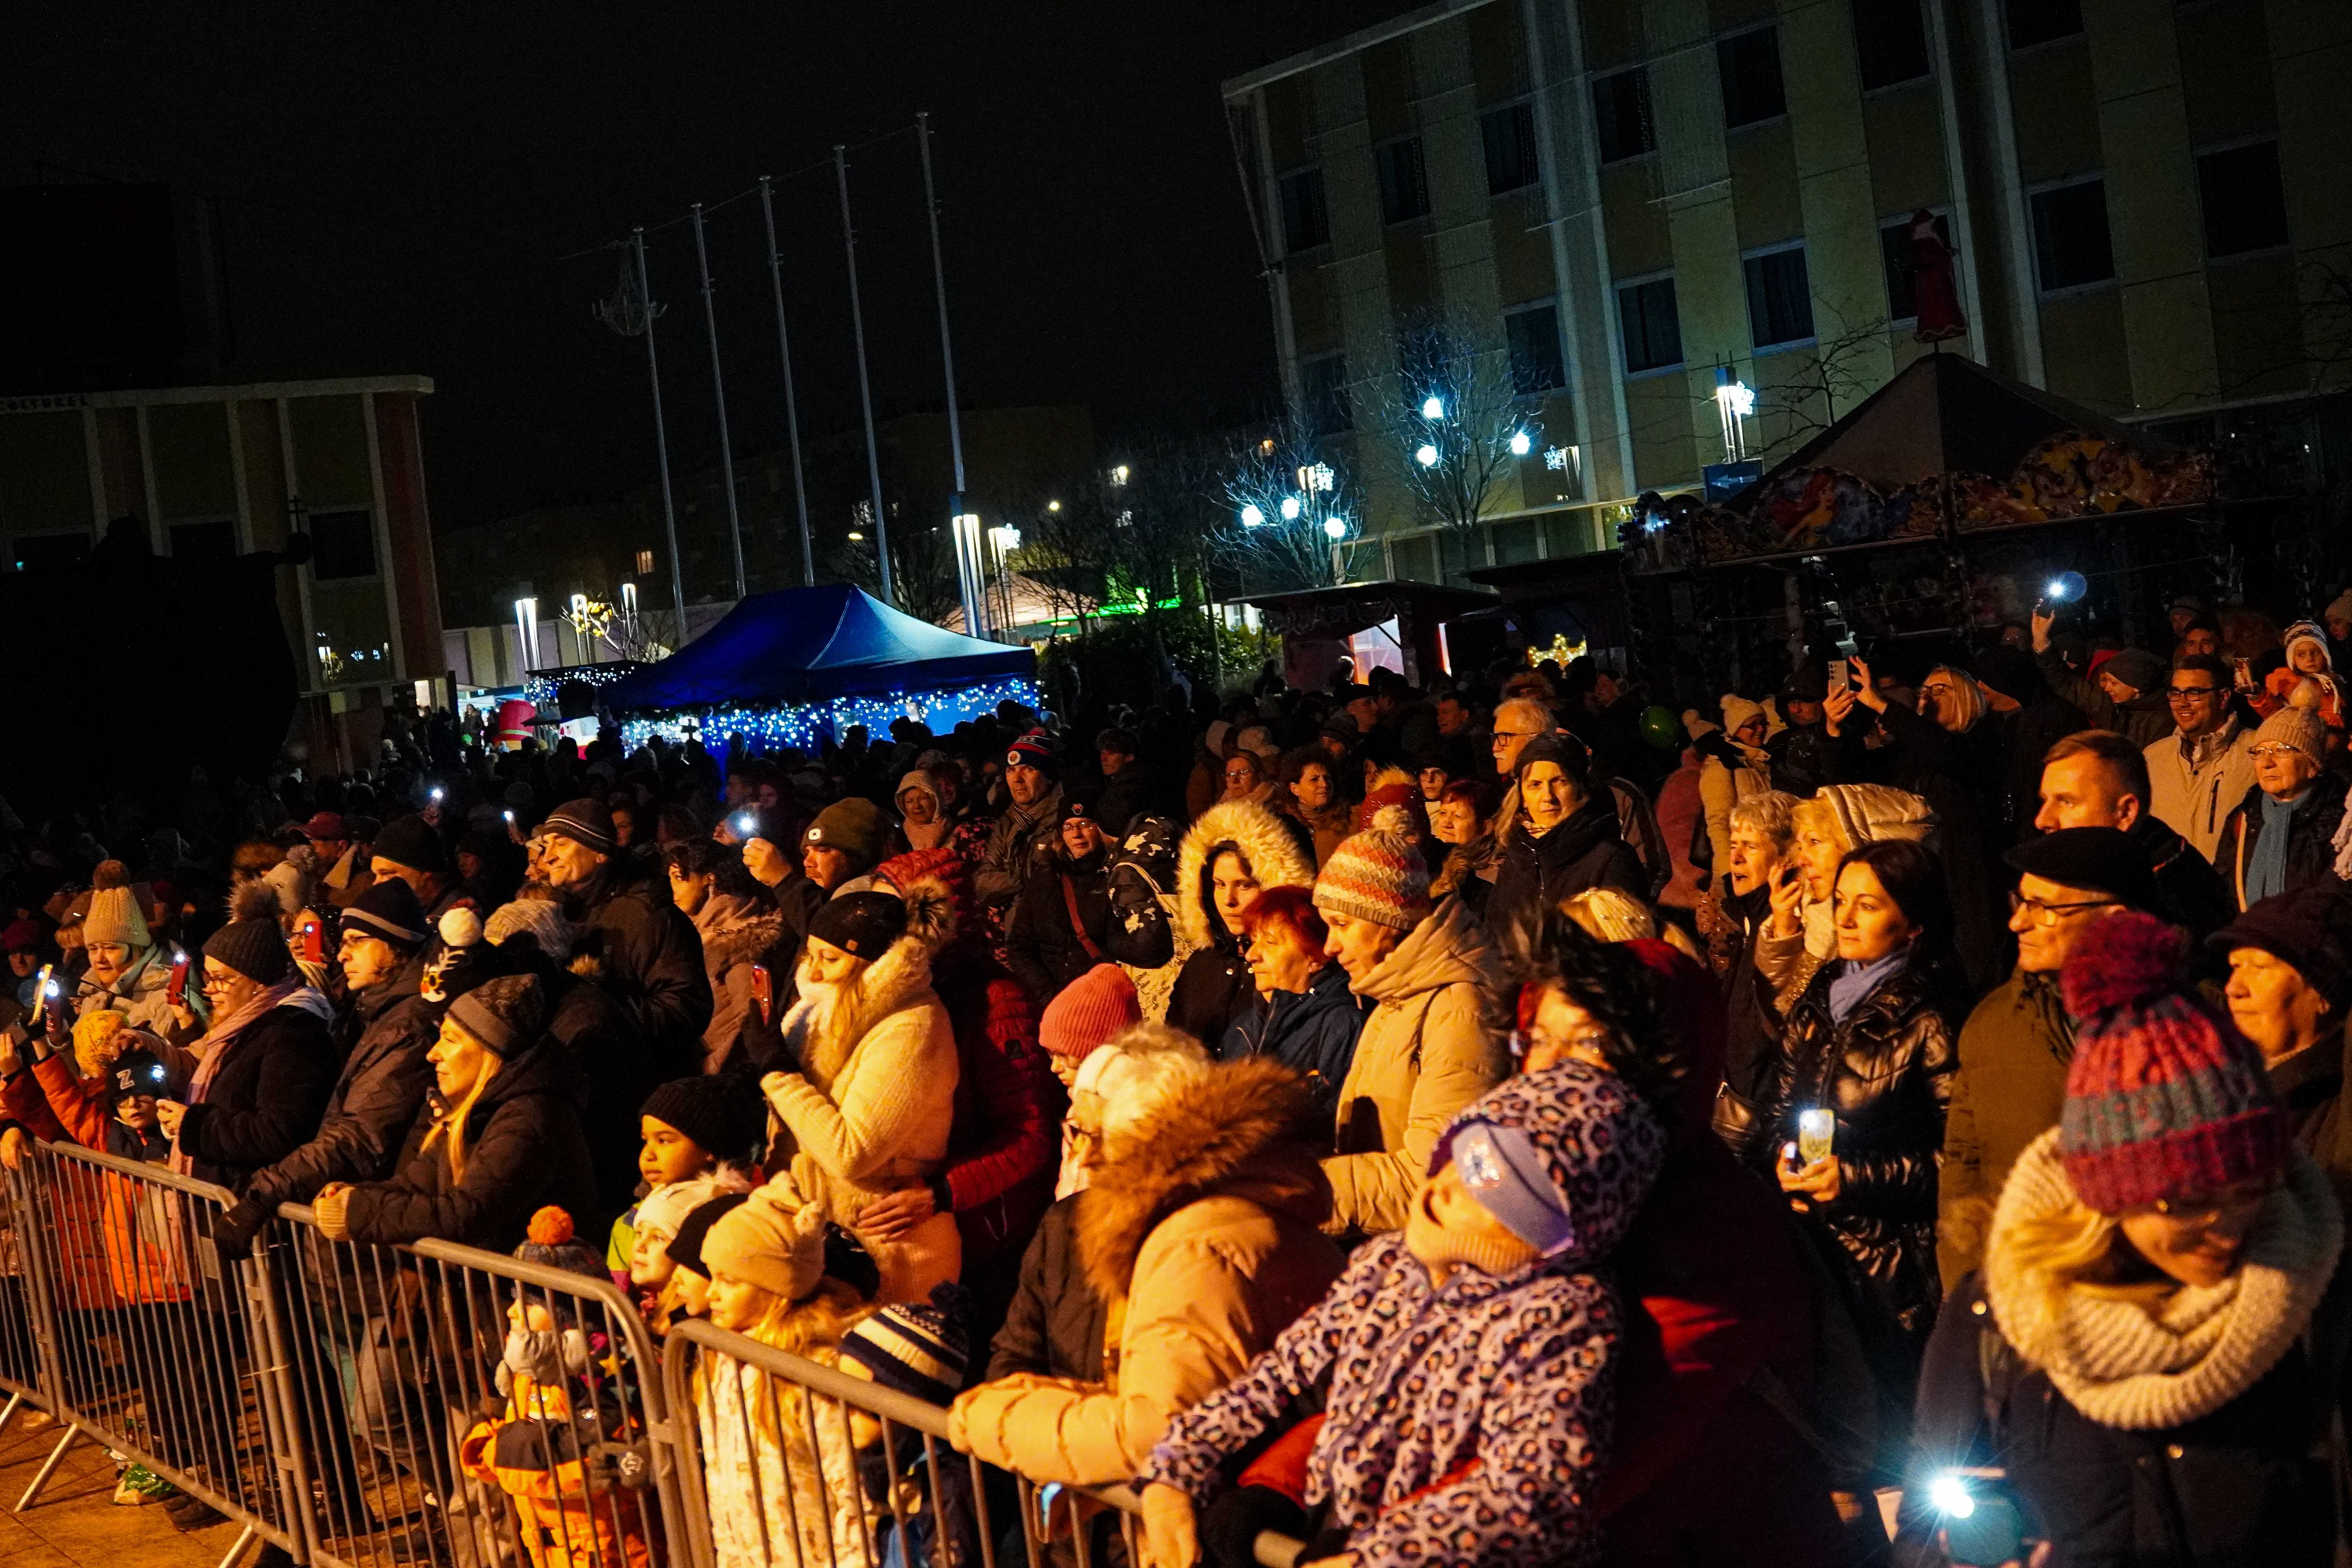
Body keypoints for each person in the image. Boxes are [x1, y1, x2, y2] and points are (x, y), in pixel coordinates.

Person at [1915, 911, 2348, 1568]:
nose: (2227, 1225)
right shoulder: (1997, 1320)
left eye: (2250, 1190)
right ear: (2108, 1196)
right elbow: (1925, 1534)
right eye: (2187, 1203)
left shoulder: (2310, 1302)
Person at [1137, 1062, 1668, 1568]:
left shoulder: (1560, 1316)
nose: (1447, 1186)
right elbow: (1282, 1373)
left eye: (1491, 1183)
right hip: (1338, 1527)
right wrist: (1178, 1467)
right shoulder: (1390, 1263)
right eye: (1463, 1154)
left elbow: (1539, 1486)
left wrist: (1384, 1557)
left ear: (1545, 1224)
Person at [1500, 918, 1848, 1564]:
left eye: (1589, 1042)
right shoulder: (1522, 1201)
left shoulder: (1712, 1223)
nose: (1547, 1068)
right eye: (1540, 1038)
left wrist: (1407, 1536)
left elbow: (1607, 1452)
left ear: (1663, 1058)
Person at [948, 1043, 1343, 1489]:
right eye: (1075, 1132)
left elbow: (1160, 1434)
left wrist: (990, 1418)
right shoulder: (1089, 1227)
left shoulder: (1197, 1245)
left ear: (1144, 1143)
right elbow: (1026, 1352)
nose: (1083, 1157)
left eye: (1097, 1136)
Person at [1748, 840, 1962, 1381]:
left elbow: (1958, 1158)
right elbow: (1775, 1107)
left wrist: (1853, 1178)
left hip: (1890, 1264)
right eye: (1841, 900)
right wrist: (1782, 1158)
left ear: (1913, 923)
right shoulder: (1821, 995)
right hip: (1811, 1245)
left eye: (1867, 906)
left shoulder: (1931, 1017)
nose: (1844, 918)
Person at [1938, 827, 2169, 1288]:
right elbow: (1964, 1166)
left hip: (2139, 1300)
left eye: (2043, 908)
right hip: (2020, 1294)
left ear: (2113, 920)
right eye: (2020, 902)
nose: (2017, 923)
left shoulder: (2186, 1028)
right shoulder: (1994, 1023)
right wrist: (1967, 1289)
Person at [207, 877, 464, 1260]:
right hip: (354, 1226)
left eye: (356, 941)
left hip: (372, 1235)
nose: (342, 955)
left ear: (395, 944)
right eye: (343, 942)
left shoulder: (407, 1025)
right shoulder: (372, 1011)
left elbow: (360, 1133)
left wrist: (265, 1192)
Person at [757, 891, 961, 1302]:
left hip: (888, 1253)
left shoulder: (911, 1028)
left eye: (831, 959)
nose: (814, 972)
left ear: (875, 965)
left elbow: (851, 1153)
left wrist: (779, 1075)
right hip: (824, 1235)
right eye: (811, 955)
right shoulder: (819, 1013)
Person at [1313, 814, 1506, 1236]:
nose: (1329, 946)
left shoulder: (1458, 1008)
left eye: (1342, 924)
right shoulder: (1397, 996)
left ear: (1389, 921)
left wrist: (1299, 1189)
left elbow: (1434, 1178)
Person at [316, 973, 599, 1253]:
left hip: (527, 1282)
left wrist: (359, 1211)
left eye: (450, 1040)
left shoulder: (531, 1117)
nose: (433, 1054)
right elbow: (417, 1186)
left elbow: (468, 1213)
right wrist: (356, 1196)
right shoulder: (471, 1110)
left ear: (490, 1051)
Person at [693, 1181, 873, 1568]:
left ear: (774, 1288)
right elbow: (722, 1481)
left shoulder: (815, 1372)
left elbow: (856, 1496)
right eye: (712, 1276)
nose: (711, 1294)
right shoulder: (722, 1357)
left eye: (730, 1281)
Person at [158, 882, 336, 1190]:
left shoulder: (293, 1034)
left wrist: (195, 1125)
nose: (209, 989)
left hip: (248, 1198)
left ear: (258, 982)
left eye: (222, 979)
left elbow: (277, 1133)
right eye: (208, 977)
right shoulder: (237, 1028)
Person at [537, 797, 713, 1058]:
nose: (548, 856)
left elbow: (685, 1007)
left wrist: (601, 1014)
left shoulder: (646, 915)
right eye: (545, 845)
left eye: (561, 844)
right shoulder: (560, 915)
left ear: (600, 853)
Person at [2211, 886, 2352, 1187]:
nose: (2234, 988)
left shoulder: (2337, 1114)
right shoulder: (2211, 1088)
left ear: (2322, 995)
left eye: (2260, 967)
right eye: (2236, 967)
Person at [2032, 729, 2230, 938]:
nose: (2042, 821)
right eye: (2045, 801)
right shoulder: (2096, 875)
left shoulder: (2173, 910)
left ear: (2126, 812)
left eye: (2067, 802)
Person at [1167, 799, 1316, 1052]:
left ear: (1274, 886)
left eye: (1245, 885)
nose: (1229, 900)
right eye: (1219, 885)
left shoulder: (1293, 966)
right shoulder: (1201, 965)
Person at [1003, 794, 1172, 1004]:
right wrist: (1048, 994)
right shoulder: (1045, 878)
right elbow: (1020, 944)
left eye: (1084, 824)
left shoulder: (1114, 879)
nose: (1077, 834)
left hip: (1104, 998)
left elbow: (1126, 945)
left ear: (1099, 829)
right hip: (1054, 1000)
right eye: (1068, 827)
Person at [1219, 885, 1362, 1120]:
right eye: (1253, 940)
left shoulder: (1342, 1026)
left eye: (1271, 942)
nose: (1252, 955)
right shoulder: (1241, 1030)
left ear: (1315, 957)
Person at [1485, 734, 1645, 940]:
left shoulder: (1611, 858)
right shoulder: (1517, 858)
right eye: (1535, 785)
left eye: (1560, 782)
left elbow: (1625, 941)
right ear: (1523, 798)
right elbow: (1492, 937)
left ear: (1580, 788)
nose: (1548, 796)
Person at [2214, 706, 2348, 910]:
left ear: (2312, 765)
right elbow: (2222, 897)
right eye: (2259, 752)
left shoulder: (2341, 824)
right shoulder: (2244, 818)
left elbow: (2338, 905)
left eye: (2281, 751)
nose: (2267, 763)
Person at [665, 838, 771, 1072]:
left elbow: (754, 1020)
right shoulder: (700, 932)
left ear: (709, 878)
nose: (672, 888)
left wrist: (711, 1069)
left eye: (679, 878)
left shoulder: (737, 937)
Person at [2143, 652, 2258, 861]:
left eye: (2194, 693)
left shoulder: (2256, 752)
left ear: (2223, 697)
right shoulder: (2153, 757)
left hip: (2228, 881)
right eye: (2175, 693)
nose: (2182, 703)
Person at [2031, 611, 2172, 746]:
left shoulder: (2163, 722)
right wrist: (2042, 645)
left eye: (2114, 683)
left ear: (2136, 687)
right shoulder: (2111, 707)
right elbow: (2067, 684)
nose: (2106, 687)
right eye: (2107, 681)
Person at [974, 733, 1063, 919]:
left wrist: (1007, 878)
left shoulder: (1064, 819)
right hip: (1016, 927)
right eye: (1011, 771)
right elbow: (982, 885)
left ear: (1048, 777)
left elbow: (1052, 880)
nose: (1017, 779)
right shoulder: (1007, 822)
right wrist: (1025, 876)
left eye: (1028, 769)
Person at [1426, 774, 1499, 912]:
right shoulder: (1431, 862)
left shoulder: (1489, 876)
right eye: (1443, 813)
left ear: (1486, 827)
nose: (1446, 823)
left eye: (1458, 816)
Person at [1276, 747, 1353, 868]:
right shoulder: (1283, 827)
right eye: (1314, 780)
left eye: (1328, 778)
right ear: (1295, 789)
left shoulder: (1351, 819)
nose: (1324, 784)